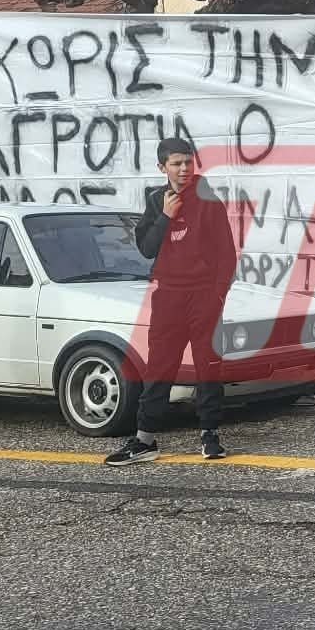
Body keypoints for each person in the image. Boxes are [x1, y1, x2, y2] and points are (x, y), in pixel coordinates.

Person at [104, 136, 238, 466]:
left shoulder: (208, 199)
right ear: (162, 167)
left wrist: (217, 294)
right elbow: (147, 249)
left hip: (204, 295)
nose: (184, 169)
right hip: (168, 296)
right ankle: (145, 440)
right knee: (160, 366)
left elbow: (226, 254)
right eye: (176, 164)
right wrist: (164, 215)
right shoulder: (154, 201)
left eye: (188, 162)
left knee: (208, 365)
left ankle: (210, 434)